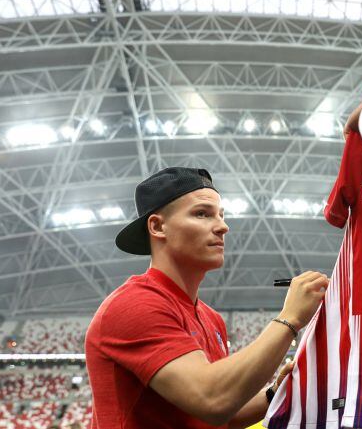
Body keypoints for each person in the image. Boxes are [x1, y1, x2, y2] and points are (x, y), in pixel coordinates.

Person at [85, 167, 328, 429]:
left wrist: (274, 393)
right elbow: (212, 400)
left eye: (221, 216)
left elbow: (222, 416)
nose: (223, 226)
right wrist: (289, 319)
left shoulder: (211, 318)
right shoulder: (133, 304)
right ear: (157, 226)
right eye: (202, 214)